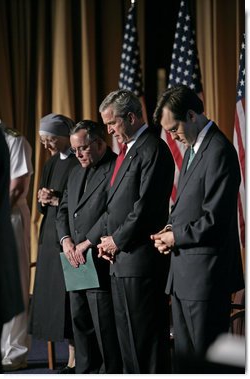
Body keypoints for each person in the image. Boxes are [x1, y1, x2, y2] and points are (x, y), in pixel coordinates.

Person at [151, 85, 245, 372]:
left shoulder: (218, 150)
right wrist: (169, 228)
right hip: (185, 276)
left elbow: (215, 219)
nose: (171, 135)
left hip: (206, 278)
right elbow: (188, 207)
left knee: (210, 364)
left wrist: (175, 236)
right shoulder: (195, 149)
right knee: (187, 362)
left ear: (192, 115)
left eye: (174, 127)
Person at [86, 89, 175, 373]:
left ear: (132, 117)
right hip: (121, 262)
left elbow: (145, 208)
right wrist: (105, 242)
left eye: (112, 123)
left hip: (141, 263)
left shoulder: (153, 149)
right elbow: (114, 207)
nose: (109, 131)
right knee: (127, 344)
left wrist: (116, 241)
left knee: (145, 344)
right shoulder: (127, 152)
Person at [56, 120, 122, 374]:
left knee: (104, 327)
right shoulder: (74, 171)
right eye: (74, 150)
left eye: (82, 148)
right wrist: (66, 241)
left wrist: (87, 242)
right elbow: (63, 211)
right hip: (73, 258)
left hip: (98, 256)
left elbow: (112, 213)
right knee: (80, 323)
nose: (78, 154)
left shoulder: (117, 166)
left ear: (99, 142)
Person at [29, 113, 78, 373]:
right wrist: (42, 197)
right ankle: (65, 357)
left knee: (71, 301)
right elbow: (40, 206)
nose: (46, 145)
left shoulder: (78, 161)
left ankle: (75, 356)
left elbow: (81, 202)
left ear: (62, 136)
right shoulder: (49, 164)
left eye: (49, 140)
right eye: (42, 140)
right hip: (49, 240)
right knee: (52, 301)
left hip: (70, 239)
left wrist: (58, 199)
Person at [0, 119, 33, 372]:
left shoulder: (12, 139)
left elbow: (17, 186)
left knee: (14, 283)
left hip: (8, 217)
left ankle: (14, 351)